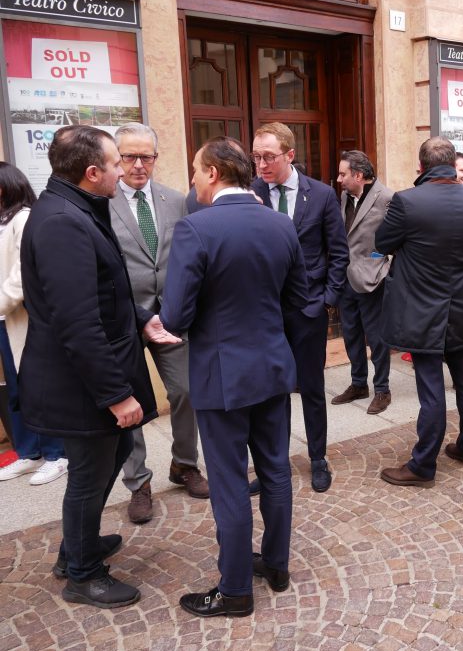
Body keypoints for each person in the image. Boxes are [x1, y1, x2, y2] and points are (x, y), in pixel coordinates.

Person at [20, 125, 169, 608]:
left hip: (90, 377)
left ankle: (77, 546)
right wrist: (116, 395)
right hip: (81, 385)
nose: (124, 171)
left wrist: (143, 319)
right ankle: (82, 574)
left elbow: (105, 292)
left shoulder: (76, 207)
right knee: (89, 474)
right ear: (91, 172)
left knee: (115, 451)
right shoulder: (63, 222)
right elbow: (78, 322)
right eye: (115, 163)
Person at [162, 136, 309, 618]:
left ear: (213, 173)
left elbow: (175, 317)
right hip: (272, 366)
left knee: (228, 482)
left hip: (222, 374)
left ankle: (235, 590)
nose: (192, 180)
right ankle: (277, 566)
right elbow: (297, 299)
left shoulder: (196, 228)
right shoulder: (281, 224)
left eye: (195, 170)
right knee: (275, 470)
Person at [109, 123, 208, 524]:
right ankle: (138, 482)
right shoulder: (103, 201)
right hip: (125, 318)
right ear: (117, 158)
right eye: (129, 156)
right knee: (130, 402)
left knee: (186, 390)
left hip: (170, 316)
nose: (138, 165)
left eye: (145, 157)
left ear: (155, 158)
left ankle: (184, 464)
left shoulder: (174, 199)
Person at [376, 137, 463, 487]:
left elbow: (382, 243)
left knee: (432, 388)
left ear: (422, 166)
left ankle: (423, 466)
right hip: (458, 304)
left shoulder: (407, 200)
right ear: (452, 164)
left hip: (421, 308)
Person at [250, 123, 349, 492]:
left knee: (311, 388)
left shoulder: (320, 195)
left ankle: (318, 457)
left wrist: (327, 300)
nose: (261, 164)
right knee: (271, 392)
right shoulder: (250, 193)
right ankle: (272, 465)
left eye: (268, 157)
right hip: (265, 313)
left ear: (289, 155)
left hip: (308, 310)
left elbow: (338, 252)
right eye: (256, 157)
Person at [0, 162, 68, 487]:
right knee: (16, 390)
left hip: (23, 319)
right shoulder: (3, 221)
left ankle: (57, 455)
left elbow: (21, 274)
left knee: (39, 389)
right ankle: (29, 452)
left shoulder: (24, 218)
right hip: (5, 320)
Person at [332, 150, 394, 415]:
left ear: (358, 175)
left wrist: (378, 262)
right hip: (345, 278)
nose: (339, 179)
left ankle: (382, 389)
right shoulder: (345, 196)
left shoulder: (387, 197)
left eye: (343, 174)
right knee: (351, 335)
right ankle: (359, 384)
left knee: (377, 338)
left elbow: (395, 239)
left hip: (372, 280)